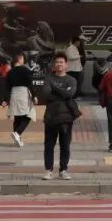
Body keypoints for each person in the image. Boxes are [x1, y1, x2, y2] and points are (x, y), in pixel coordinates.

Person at [41, 52, 78, 180]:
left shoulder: (71, 80)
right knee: (49, 145)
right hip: (51, 116)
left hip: (66, 117)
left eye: (61, 62)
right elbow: (46, 95)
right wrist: (63, 92)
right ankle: (48, 170)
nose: (59, 64)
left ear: (66, 64)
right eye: (57, 62)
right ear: (53, 65)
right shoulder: (48, 78)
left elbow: (70, 94)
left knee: (65, 146)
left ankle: (63, 170)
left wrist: (54, 88)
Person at [2, 52, 36, 147]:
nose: (24, 61)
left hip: (14, 95)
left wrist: (5, 100)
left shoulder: (10, 72)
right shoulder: (25, 70)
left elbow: (7, 87)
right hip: (23, 95)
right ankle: (17, 133)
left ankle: (17, 139)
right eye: (23, 59)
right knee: (28, 115)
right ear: (20, 59)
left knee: (17, 117)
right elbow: (30, 84)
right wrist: (34, 96)